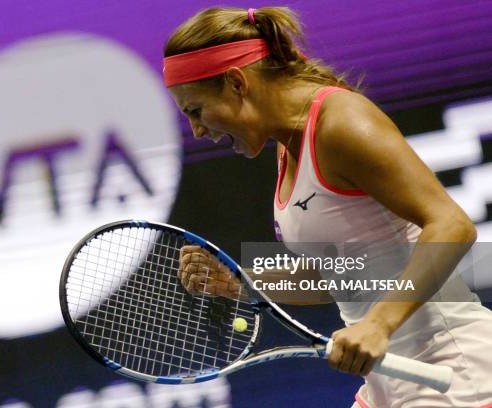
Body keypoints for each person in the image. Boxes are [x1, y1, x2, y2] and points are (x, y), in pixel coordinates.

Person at [165, 6, 492, 408]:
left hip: (459, 378)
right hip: (387, 387)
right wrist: (243, 283)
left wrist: (377, 324)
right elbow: (346, 275)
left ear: (236, 82)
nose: (197, 131)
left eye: (195, 111)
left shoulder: (342, 123)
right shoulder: (288, 147)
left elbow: (452, 225)